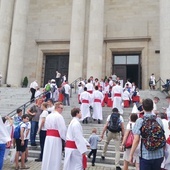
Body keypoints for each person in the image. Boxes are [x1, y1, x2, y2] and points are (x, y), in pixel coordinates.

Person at [129, 98, 165, 170]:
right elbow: (162, 136)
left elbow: (136, 140)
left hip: (146, 155)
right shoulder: (158, 120)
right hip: (159, 154)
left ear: (142, 107)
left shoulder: (140, 121)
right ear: (152, 107)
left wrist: (131, 154)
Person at [41, 102, 67, 170]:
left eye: (62, 108)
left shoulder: (49, 116)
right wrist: (65, 139)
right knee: (55, 155)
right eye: (61, 108)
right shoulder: (59, 116)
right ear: (56, 107)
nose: (62, 110)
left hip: (48, 138)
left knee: (48, 154)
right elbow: (62, 129)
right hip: (56, 138)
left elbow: (46, 126)